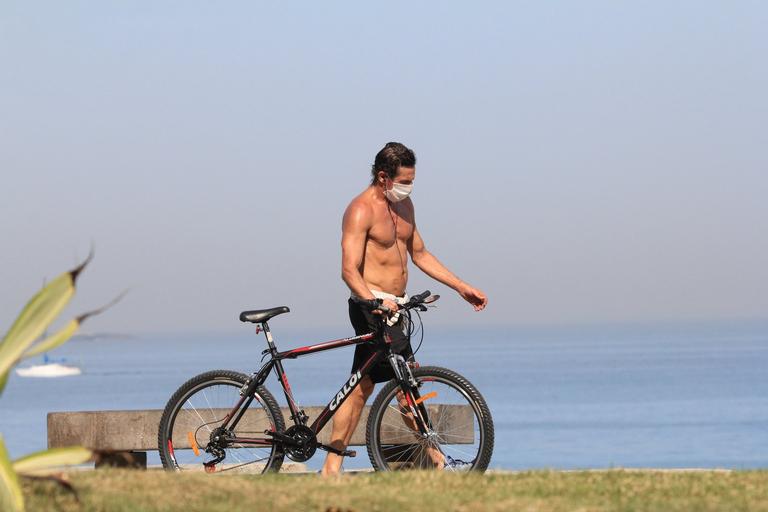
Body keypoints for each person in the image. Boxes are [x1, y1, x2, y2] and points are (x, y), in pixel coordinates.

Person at [320, 142, 488, 476]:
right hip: (372, 307)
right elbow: (348, 270)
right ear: (383, 177)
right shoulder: (360, 210)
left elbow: (421, 253)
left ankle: (331, 465)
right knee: (397, 384)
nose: (408, 187)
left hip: (397, 308)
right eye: (404, 181)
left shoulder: (405, 205)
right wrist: (374, 300)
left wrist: (460, 286)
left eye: (411, 181)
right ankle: (436, 459)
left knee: (369, 385)